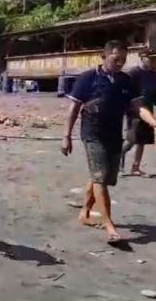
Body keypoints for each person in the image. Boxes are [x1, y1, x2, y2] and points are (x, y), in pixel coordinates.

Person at [61, 40, 156, 244]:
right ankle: (110, 226)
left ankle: (85, 212)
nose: (119, 63)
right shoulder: (88, 79)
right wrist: (66, 136)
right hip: (92, 134)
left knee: (101, 176)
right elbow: (73, 109)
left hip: (114, 136)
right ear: (104, 57)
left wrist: (154, 123)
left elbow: (138, 107)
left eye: (122, 60)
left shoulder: (126, 81)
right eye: (115, 59)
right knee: (100, 179)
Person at [121, 47, 156, 176]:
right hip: (134, 110)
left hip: (148, 110)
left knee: (143, 140)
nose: (153, 61)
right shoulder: (133, 73)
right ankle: (119, 164)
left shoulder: (153, 74)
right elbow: (126, 93)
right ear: (142, 58)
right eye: (150, 58)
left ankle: (136, 167)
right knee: (131, 140)